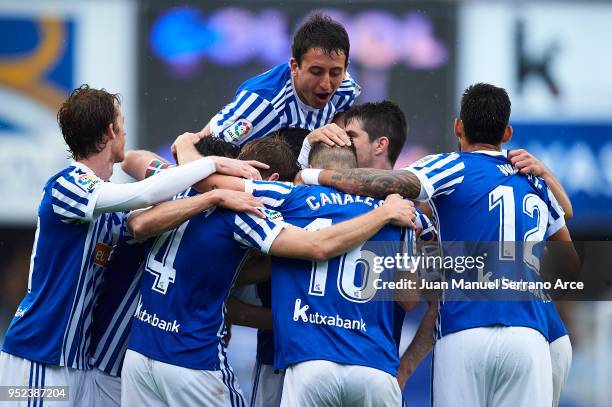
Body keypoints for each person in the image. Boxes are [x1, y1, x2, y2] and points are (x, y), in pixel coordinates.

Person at [298, 83, 579, 406]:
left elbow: (399, 185)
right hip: (537, 335)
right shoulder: (532, 178)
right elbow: (569, 264)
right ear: (507, 133)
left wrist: (312, 173)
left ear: (458, 126)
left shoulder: (451, 169)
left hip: (466, 328)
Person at [0, 84, 265, 406]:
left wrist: (204, 195)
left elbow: (144, 217)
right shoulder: (68, 183)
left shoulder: (105, 201)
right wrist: (211, 171)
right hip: (37, 354)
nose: (125, 132)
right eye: (122, 123)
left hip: (73, 359)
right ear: (112, 130)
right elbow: (144, 194)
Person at [120, 134, 416, 407]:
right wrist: (384, 213)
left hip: (141, 350)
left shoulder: (172, 183)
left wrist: (185, 143)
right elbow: (408, 297)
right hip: (374, 364)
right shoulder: (400, 213)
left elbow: (133, 165)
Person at [201, 12, 361, 147]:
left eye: (335, 73)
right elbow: (204, 152)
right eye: (316, 72)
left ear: (345, 68)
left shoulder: (345, 88)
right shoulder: (262, 107)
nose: (326, 84)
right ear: (294, 66)